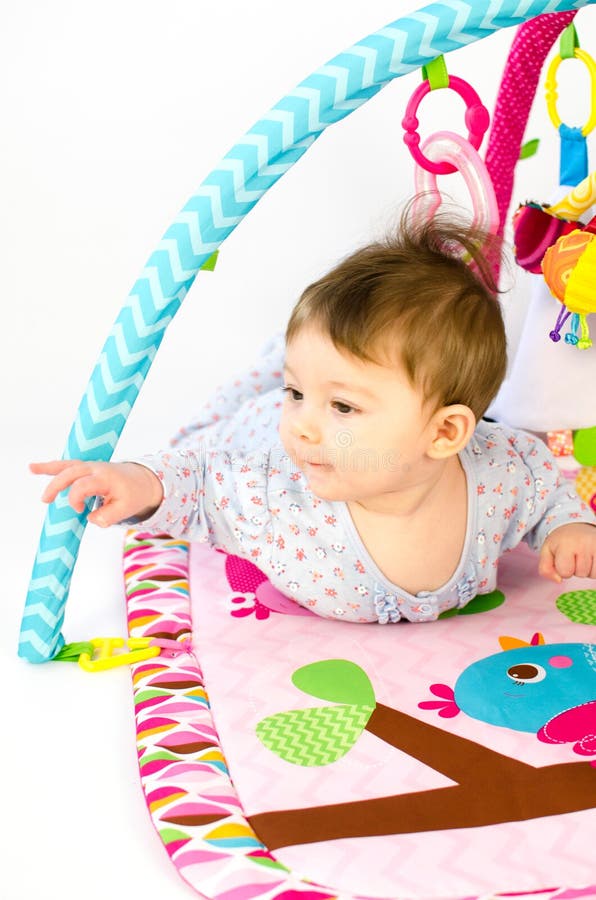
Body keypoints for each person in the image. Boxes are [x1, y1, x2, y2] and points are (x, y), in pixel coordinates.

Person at [31, 209, 596, 625]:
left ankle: (287, 366)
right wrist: (138, 482)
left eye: (344, 406)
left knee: (296, 385)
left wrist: (567, 527)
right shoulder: (277, 490)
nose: (302, 422)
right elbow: (200, 481)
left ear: (446, 432)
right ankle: (277, 368)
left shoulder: (503, 471)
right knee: (218, 427)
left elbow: (548, 488)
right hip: (251, 432)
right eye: (296, 393)